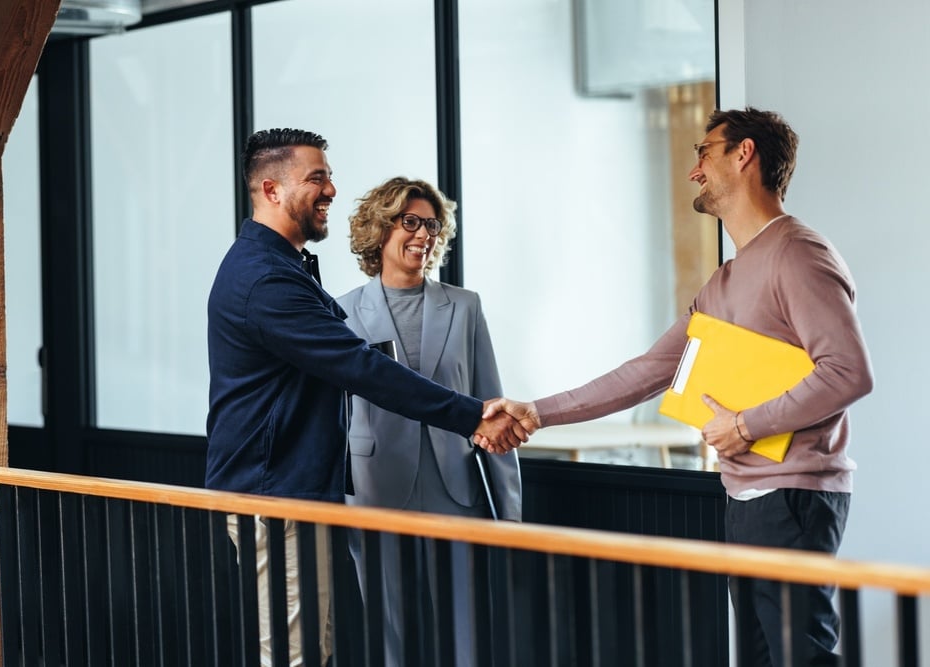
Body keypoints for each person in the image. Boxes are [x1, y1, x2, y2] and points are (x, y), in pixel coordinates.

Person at [481, 108, 874, 666]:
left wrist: (744, 425)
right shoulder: (727, 279)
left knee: (802, 659)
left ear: (744, 155)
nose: (694, 170)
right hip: (748, 499)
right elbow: (647, 370)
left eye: (704, 152)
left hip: (794, 496)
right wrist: (536, 412)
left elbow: (848, 371)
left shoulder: (798, 254)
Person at [205, 128, 527, 667]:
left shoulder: (284, 268)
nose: (331, 189)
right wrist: (473, 415)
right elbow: (363, 368)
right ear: (271, 190)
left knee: (312, 649)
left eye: (329, 176)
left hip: (297, 492)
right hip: (275, 497)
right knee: (295, 655)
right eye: (317, 178)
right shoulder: (267, 280)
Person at [337, 176, 522, 666]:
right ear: (380, 229)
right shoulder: (342, 313)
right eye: (410, 222)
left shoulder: (465, 307)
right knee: (386, 626)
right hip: (375, 487)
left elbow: (491, 403)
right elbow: (333, 413)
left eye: (433, 225)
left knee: (465, 629)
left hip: (455, 485)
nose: (424, 235)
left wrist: (511, 511)